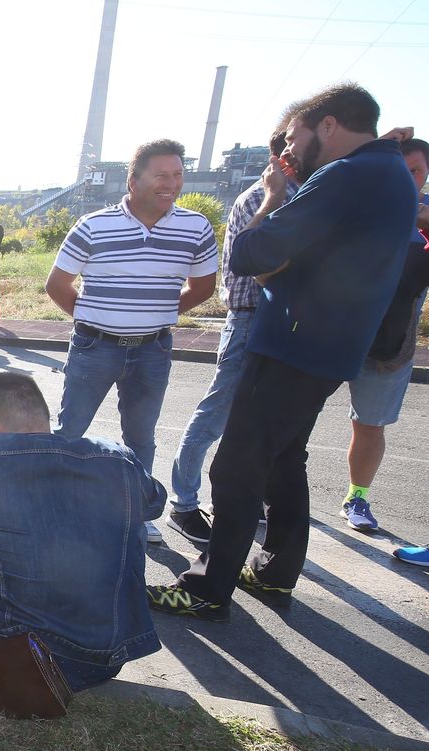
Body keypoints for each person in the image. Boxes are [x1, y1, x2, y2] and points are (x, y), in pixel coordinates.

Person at [148, 84, 418, 621]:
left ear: (330, 126)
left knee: (236, 466)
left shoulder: (346, 175)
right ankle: (274, 572)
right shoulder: (390, 171)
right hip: (331, 345)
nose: (291, 149)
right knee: (282, 458)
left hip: (293, 343)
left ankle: (206, 587)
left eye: (296, 136)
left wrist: (273, 195)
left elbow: (250, 254)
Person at [0, 372, 164, 689]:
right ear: (43, 417)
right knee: (131, 511)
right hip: (103, 659)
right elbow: (155, 501)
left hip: (8, 652)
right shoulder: (116, 458)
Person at [46, 138, 218, 544]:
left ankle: (136, 512)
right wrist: (95, 320)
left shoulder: (195, 227)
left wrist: (157, 315)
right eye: (161, 175)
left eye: (177, 175)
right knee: (69, 430)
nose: (171, 184)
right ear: (133, 180)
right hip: (94, 346)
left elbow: (204, 286)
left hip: (152, 349)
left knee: (141, 437)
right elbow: (57, 285)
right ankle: (54, 507)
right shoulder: (93, 225)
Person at [166, 131, 299, 545]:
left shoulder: (306, 191)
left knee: (265, 418)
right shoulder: (259, 198)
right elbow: (253, 254)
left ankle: (250, 498)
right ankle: (183, 503)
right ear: (281, 157)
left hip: (283, 320)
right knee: (216, 413)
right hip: (249, 318)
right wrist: (275, 198)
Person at [338, 136, 429, 532]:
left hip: (389, 345)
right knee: (294, 419)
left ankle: (357, 497)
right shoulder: (352, 204)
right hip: (331, 334)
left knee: (370, 425)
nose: (408, 181)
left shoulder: (425, 224)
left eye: (416, 172)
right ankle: (276, 493)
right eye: (400, 170)